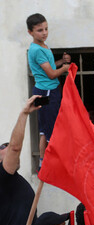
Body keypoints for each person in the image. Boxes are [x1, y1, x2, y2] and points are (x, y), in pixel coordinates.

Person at [26, 13, 71, 169]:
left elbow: (49, 67)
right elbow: (51, 74)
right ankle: (53, 164)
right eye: (39, 30)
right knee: (51, 129)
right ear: (30, 32)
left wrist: (61, 62)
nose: (44, 33)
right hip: (45, 93)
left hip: (48, 91)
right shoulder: (37, 50)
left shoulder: (43, 46)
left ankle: (43, 163)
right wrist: (65, 68)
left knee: (45, 129)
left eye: (46, 29)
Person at [0, 95, 41, 225]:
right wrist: (24, 114)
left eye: (8, 143)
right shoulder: (2, 176)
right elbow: (15, 148)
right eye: (4, 146)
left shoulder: (12, 179)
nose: (9, 146)